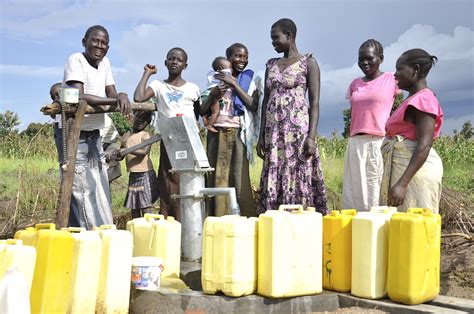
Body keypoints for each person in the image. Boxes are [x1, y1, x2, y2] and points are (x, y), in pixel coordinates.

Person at [256, 18, 328, 215]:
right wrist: (261, 135)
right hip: (274, 134)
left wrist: (311, 137)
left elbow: (314, 102)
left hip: (298, 133)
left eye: (275, 38)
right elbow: (265, 102)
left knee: (298, 172)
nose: (272, 43)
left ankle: (301, 223)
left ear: (289, 36)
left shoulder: (308, 63)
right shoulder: (271, 64)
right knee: (274, 170)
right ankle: (275, 222)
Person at [63, 25, 131, 229]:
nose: (99, 46)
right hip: (73, 132)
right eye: (95, 41)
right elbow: (79, 95)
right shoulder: (76, 59)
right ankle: (84, 235)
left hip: (94, 132)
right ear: (85, 42)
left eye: (104, 43)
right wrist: (113, 101)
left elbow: (112, 92)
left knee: (99, 186)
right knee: (79, 186)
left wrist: (121, 95)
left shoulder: (105, 63)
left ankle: (101, 232)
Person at [133, 48, 201, 221]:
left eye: (179, 59)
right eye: (171, 59)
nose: (174, 62)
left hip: (189, 140)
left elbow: (198, 112)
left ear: (185, 65)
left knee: (189, 178)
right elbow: (139, 97)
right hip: (169, 139)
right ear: (165, 63)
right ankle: (168, 218)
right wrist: (147, 73)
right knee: (168, 178)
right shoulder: (158, 85)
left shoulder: (193, 88)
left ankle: (188, 218)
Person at [199, 43, 261, 217]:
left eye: (245, 57)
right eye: (237, 56)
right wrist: (213, 94)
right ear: (228, 58)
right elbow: (202, 110)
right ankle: (217, 219)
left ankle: (247, 219)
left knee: (240, 178)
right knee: (217, 177)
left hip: (239, 134)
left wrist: (234, 83)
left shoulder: (250, 81)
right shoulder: (214, 79)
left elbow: (253, 105)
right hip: (216, 134)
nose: (242, 60)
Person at [380, 49, 443, 213]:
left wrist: (402, 183)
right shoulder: (413, 99)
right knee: (402, 227)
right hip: (405, 169)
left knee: (416, 226)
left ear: (415, 70)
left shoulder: (424, 99)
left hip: (415, 173)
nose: (395, 74)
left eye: (399, 69)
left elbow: (424, 145)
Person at [342, 39, 400, 212]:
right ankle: (356, 231)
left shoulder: (391, 79)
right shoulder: (355, 84)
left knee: (375, 190)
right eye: (361, 59)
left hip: (378, 142)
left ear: (380, 58)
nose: (364, 63)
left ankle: (375, 232)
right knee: (354, 192)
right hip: (355, 143)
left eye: (369, 58)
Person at [115, 111, 159, 219]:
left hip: (145, 174)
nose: (141, 121)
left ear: (147, 123)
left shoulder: (145, 135)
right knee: (134, 208)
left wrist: (126, 150)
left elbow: (144, 152)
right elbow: (121, 155)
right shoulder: (126, 135)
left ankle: (150, 231)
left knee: (146, 207)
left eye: (144, 120)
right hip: (133, 175)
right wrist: (116, 154)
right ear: (133, 117)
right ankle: (137, 232)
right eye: (139, 117)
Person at [202, 57, 233, 133]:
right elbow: (228, 82)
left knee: (210, 110)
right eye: (229, 67)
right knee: (216, 112)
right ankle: (210, 125)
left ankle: (205, 117)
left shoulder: (211, 74)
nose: (231, 69)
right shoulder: (224, 74)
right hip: (214, 95)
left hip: (206, 93)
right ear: (221, 68)